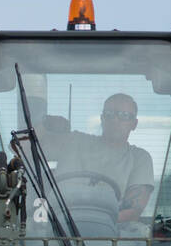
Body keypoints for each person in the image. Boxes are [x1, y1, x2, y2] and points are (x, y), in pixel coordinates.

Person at [59, 93, 156, 225]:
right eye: (109, 114)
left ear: (134, 124)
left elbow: (133, 211)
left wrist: (93, 224)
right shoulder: (76, 141)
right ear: (102, 118)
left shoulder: (140, 158)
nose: (115, 120)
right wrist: (45, 124)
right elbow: (32, 145)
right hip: (61, 230)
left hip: (114, 238)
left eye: (124, 116)